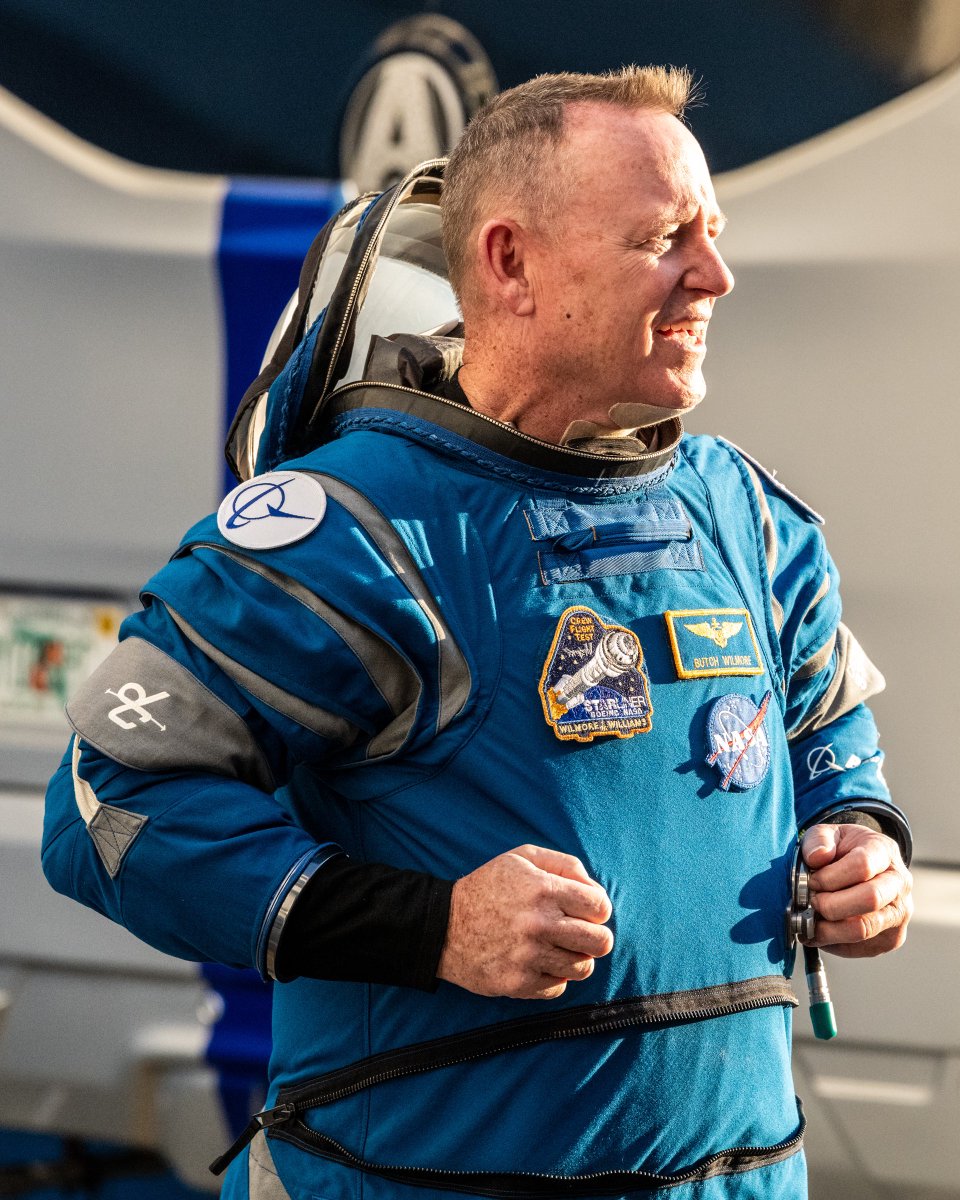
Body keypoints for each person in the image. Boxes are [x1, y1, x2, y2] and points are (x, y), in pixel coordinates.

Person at [43, 67, 913, 1199]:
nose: (717, 274)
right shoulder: (348, 531)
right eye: (664, 238)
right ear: (509, 262)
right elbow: (105, 805)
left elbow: (832, 742)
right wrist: (433, 925)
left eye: (713, 230)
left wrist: (865, 843)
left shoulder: (749, 517)